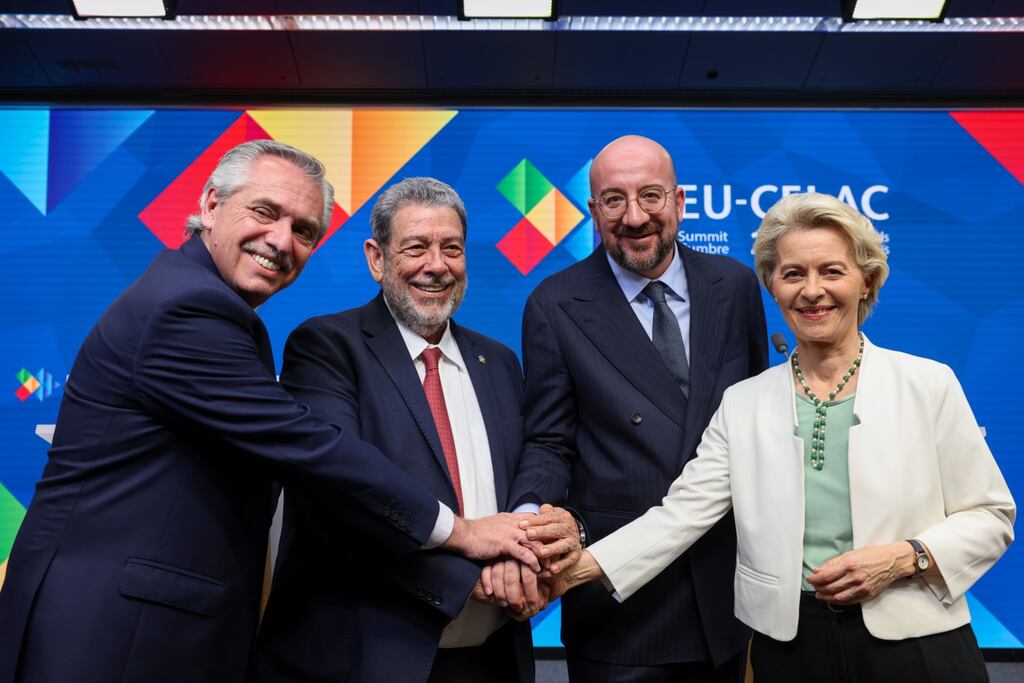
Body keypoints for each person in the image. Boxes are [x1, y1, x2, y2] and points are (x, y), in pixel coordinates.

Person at [0, 141, 540, 683]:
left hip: (155, 623)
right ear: (211, 205)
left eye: (304, 230)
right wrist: (465, 535)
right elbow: (312, 452)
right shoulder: (189, 307)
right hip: (114, 631)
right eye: (265, 211)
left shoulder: (213, 306)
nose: (281, 240)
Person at [537, 191, 1016, 683]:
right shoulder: (743, 403)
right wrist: (570, 574)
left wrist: (903, 557)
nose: (812, 291)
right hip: (790, 648)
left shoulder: (928, 384)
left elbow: (991, 517)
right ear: (772, 286)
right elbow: (678, 516)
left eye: (832, 271)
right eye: (792, 274)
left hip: (919, 641)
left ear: (866, 281)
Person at [250, 177, 578, 683]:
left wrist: (526, 548)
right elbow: (338, 500)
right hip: (363, 659)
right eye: (416, 247)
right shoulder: (327, 347)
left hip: (491, 659)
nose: (436, 265)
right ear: (377, 259)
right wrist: (476, 575)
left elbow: (537, 460)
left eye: (452, 248)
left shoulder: (500, 361)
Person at [506, 135, 769, 683]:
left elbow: (756, 420)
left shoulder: (736, 286)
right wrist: (529, 521)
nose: (634, 217)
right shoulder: (554, 304)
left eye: (650, 196)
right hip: (620, 599)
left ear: (678, 201)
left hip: (724, 584)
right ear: (592, 211)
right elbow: (550, 441)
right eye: (614, 200)